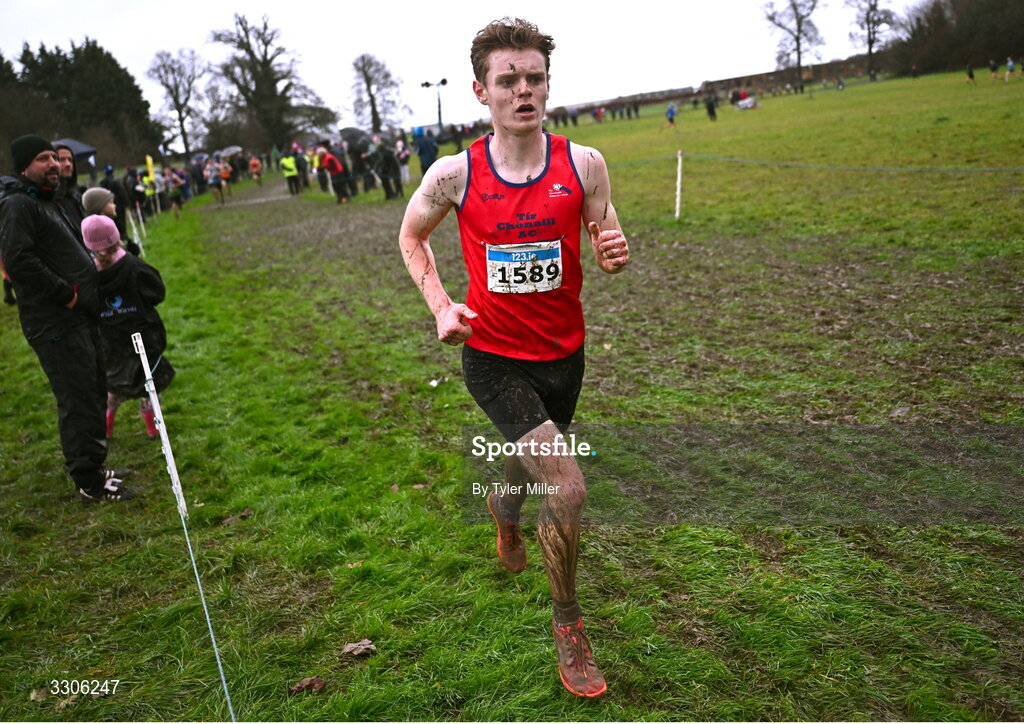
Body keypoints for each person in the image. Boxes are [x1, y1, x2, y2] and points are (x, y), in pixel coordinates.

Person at [398, 17, 630, 698]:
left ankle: (503, 509)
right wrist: (442, 306)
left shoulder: (583, 164)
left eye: (534, 77)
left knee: (527, 468)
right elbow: (411, 239)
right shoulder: (454, 175)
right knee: (567, 484)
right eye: (509, 79)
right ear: (482, 90)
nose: (523, 89)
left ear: (547, 85)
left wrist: (614, 251)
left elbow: (605, 234)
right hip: (494, 357)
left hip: (565, 354)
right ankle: (569, 626)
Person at [0, 134, 133, 501]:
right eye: (44, 159)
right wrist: (67, 294)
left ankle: (94, 465)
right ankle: (89, 481)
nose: (54, 165)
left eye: (55, 159)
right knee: (76, 398)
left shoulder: (45, 201)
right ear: (24, 166)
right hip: (55, 321)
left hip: (79, 317)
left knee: (91, 391)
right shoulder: (17, 205)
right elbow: (18, 261)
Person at [80, 215, 174, 440]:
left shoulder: (86, 274)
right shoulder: (134, 266)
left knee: (114, 387)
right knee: (148, 384)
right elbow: (157, 292)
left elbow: (84, 305)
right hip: (142, 338)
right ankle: (153, 428)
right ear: (116, 238)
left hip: (110, 343)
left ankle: (107, 427)